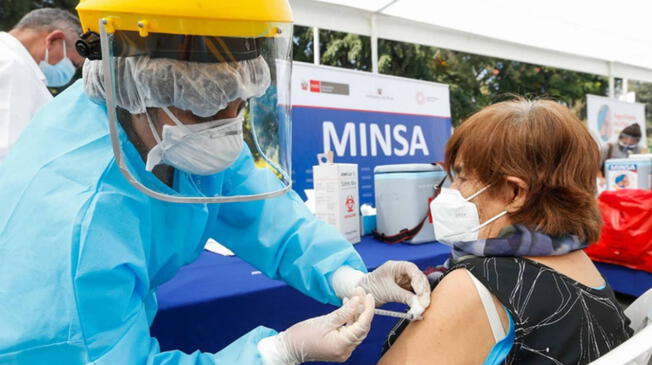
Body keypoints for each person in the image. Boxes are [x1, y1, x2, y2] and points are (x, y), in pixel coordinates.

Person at [0, 1, 430, 364]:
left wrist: (350, 278)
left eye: (238, 103)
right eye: (204, 108)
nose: (225, 130)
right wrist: (278, 351)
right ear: (133, 85)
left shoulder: (173, 127)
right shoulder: (74, 223)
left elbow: (267, 214)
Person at [379, 99, 632, 364]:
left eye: (463, 177)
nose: (450, 190)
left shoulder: (476, 287)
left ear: (515, 193)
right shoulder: (580, 263)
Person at [0, 8, 85, 162]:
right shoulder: (14, 67)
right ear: (53, 39)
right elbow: (8, 151)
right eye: (73, 63)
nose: (70, 73)